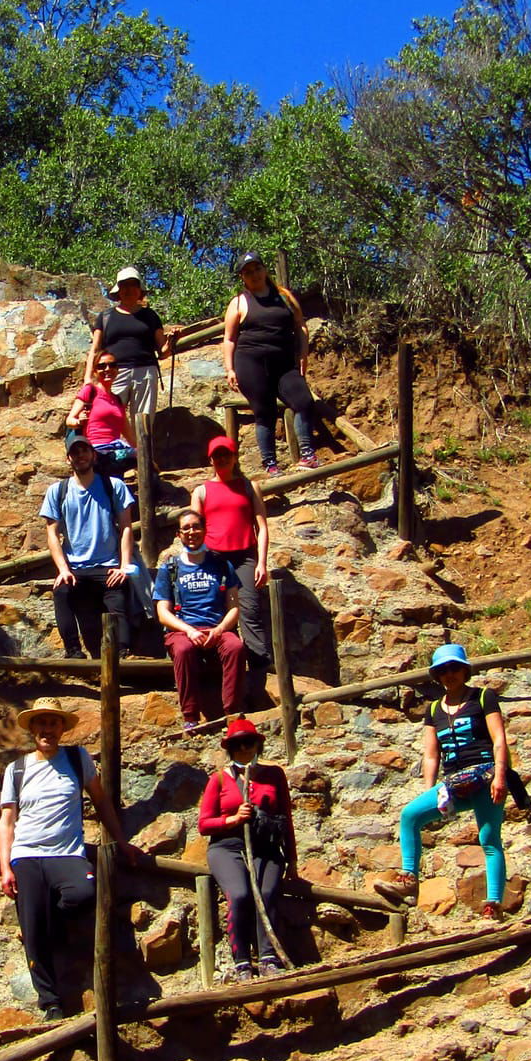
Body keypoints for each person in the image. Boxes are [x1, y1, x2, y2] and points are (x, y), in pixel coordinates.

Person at [0, 698, 141, 1020]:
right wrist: (5, 867)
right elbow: (7, 821)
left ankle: (54, 930)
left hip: (67, 853)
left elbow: (101, 802)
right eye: (42, 723)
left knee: (84, 893)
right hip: (28, 855)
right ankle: (50, 1002)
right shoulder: (16, 769)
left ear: (62, 728)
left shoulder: (77, 760)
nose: (47, 729)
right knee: (33, 932)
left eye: (54, 723)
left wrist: (121, 841)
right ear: (32, 728)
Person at [377, 644, 512, 919]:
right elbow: (430, 754)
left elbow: (499, 739)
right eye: (443, 670)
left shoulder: (483, 697)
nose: (449, 674)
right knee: (410, 815)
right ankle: (409, 881)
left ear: (464, 670)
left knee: (489, 838)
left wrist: (500, 776)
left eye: (454, 668)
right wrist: (431, 792)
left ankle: (493, 903)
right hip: (453, 782)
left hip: (485, 775)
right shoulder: (434, 709)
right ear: (437, 676)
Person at [197, 718, 297, 980]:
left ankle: (268, 958)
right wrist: (233, 819)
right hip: (227, 847)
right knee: (240, 895)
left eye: (249, 742)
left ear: (257, 745)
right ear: (229, 748)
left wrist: (293, 860)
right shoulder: (218, 779)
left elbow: (286, 816)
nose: (244, 748)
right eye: (237, 744)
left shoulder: (274, 775)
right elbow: (204, 824)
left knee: (267, 892)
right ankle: (241, 961)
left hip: (266, 846)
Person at [40, 430, 138, 660]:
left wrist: (124, 566)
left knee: (118, 601)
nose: (80, 455)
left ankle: (122, 653)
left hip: (108, 565)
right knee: (61, 592)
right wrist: (63, 569)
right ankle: (73, 651)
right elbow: (52, 534)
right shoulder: (58, 491)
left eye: (85, 450)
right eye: (75, 452)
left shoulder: (113, 486)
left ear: (93, 455)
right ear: (68, 459)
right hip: (76, 567)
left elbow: (125, 527)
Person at [221, 253, 316, 474]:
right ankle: (270, 464)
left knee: (304, 401)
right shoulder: (239, 302)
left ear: (264, 270)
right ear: (242, 277)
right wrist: (229, 369)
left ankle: (308, 456)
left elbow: (300, 324)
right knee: (265, 412)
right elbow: (229, 338)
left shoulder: (284, 296)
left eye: (256, 269)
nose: (253, 275)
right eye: (248, 272)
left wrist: (303, 353)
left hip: (284, 362)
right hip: (251, 363)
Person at [154, 510, 245, 731]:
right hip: (183, 630)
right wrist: (189, 631)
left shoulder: (222, 565)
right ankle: (190, 716)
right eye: (186, 528)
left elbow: (234, 607)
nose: (192, 532)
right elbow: (162, 612)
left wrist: (220, 629)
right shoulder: (170, 568)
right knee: (183, 650)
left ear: (204, 530)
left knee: (235, 647)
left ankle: (233, 713)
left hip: (217, 628)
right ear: (179, 534)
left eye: (196, 526)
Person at [191, 433, 273, 672]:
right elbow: (195, 530)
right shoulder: (201, 491)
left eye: (226, 454)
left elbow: (262, 526)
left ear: (235, 457)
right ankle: (221, 666)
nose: (222, 459)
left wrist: (262, 563)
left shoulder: (249, 486)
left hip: (245, 556)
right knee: (215, 609)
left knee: (250, 609)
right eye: (217, 455)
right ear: (210, 460)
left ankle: (260, 665)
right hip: (214, 557)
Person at [84, 265, 170, 424]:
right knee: (108, 419)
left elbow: (163, 351)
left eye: (133, 284)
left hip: (145, 372)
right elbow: (95, 349)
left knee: (144, 422)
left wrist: (173, 341)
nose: (128, 289)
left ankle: (142, 450)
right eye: (124, 285)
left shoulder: (150, 316)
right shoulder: (105, 317)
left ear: (139, 289)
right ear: (118, 290)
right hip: (113, 373)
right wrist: (88, 378)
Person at [64, 358, 137, 480]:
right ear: (95, 371)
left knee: (113, 487)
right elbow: (69, 420)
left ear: (117, 370)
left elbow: (129, 435)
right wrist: (79, 421)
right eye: (102, 366)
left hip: (114, 450)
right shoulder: (90, 391)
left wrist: (144, 456)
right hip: (95, 450)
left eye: (112, 365)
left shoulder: (117, 400)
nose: (108, 369)